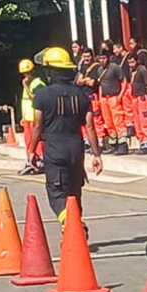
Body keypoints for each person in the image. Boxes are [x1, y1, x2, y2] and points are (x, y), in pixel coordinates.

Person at [25, 47, 102, 223]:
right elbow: (90, 127)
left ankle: (69, 221)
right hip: (76, 150)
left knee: (57, 192)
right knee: (75, 192)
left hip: (54, 150)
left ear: (50, 70)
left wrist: (32, 150)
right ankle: (75, 226)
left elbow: (37, 125)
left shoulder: (42, 95)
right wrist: (97, 155)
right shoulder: (82, 95)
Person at [96, 47, 127, 153]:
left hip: (114, 97)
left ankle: (123, 144)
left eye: (104, 58)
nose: (102, 60)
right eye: (100, 58)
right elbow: (100, 85)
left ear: (108, 58)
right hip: (104, 98)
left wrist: (120, 96)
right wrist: (100, 98)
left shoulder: (115, 68)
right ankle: (113, 144)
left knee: (118, 120)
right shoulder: (99, 70)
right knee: (108, 122)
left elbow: (124, 81)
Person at [128, 49, 147, 154]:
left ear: (137, 61)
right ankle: (142, 141)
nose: (131, 65)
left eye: (132, 62)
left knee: (145, 119)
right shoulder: (132, 71)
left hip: (142, 97)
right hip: (134, 98)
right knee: (137, 120)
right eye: (129, 63)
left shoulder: (142, 70)